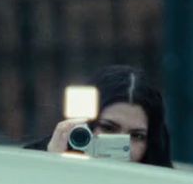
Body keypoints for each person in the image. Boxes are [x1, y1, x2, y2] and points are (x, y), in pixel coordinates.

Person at [34, 65, 174, 167]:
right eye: (108, 128)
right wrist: (53, 167)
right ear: (82, 129)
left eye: (137, 136)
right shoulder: (29, 168)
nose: (121, 143)